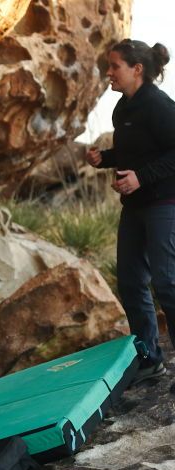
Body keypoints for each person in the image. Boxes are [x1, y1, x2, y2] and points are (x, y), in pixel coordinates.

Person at [86, 39, 174, 384]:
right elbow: (133, 153)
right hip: (135, 207)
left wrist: (141, 177)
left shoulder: (159, 106)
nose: (108, 72)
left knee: (167, 283)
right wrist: (104, 160)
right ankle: (150, 357)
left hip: (164, 204)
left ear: (137, 69)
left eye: (115, 66)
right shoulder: (122, 108)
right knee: (131, 281)